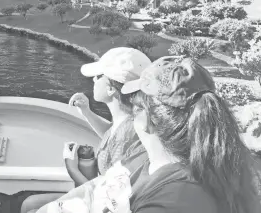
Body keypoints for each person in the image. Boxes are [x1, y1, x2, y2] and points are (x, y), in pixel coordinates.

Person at [39, 56, 261, 213]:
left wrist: (73, 171)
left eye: (135, 104)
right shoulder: (147, 158)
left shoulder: (175, 200)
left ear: (146, 120)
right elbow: (99, 188)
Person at [20, 47, 150, 213]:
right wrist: (87, 112)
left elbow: (107, 200)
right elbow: (111, 133)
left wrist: (72, 168)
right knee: (29, 204)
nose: (94, 80)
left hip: (102, 202)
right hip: (100, 193)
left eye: (98, 77)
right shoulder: (127, 120)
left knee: (31, 209)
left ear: (111, 89)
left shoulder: (127, 137)